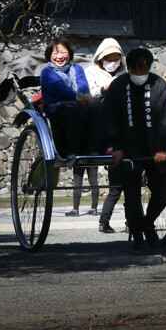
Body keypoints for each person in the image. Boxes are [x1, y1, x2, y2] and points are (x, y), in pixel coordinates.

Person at [100, 46, 166, 249]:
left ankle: (148, 223)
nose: (139, 75)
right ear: (128, 68)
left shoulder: (159, 85)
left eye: (143, 71)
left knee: (162, 193)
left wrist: (164, 148)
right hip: (127, 148)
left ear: (149, 68)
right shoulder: (119, 85)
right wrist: (116, 147)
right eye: (135, 71)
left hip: (156, 149)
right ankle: (137, 236)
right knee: (132, 195)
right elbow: (109, 118)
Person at [66, 37, 124, 216]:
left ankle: (93, 207)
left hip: (118, 114)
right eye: (110, 59)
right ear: (101, 58)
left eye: (116, 59)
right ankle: (78, 208)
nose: (113, 63)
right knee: (97, 104)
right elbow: (87, 93)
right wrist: (105, 89)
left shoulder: (124, 74)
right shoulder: (90, 72)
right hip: (96, 112)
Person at [39, 37, 93, 158]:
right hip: (56, 111)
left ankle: (94, 149)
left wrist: (85, 97)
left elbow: (83, 86)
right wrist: (79, 98)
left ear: (69, 53)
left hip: (77, 105)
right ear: (49, 55)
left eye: (63, 52)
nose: (59, 56)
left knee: (97, 106)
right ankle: (71, 152)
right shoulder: (47, 72)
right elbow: (60, 89)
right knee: (77, 111)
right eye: (55, 53)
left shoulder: (77, 69)